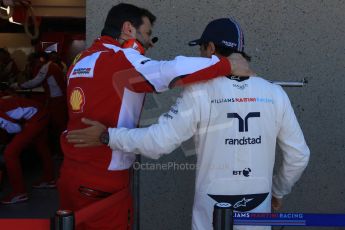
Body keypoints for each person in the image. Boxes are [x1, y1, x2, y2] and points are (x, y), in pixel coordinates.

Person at [67, 18, 310, 230]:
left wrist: (107, 136)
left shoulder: (199, 90)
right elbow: (299, 156)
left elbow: (158, 142)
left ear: (211, 48)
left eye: (202, 51)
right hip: (259, 209)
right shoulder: (275, 93)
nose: (201, 58)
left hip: (212, 211)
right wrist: (278, 192)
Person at [0, 95, 55, 204]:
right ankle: (50, 179)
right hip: (42, 112)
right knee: (42, 147)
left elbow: (15, 129)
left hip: (35, 118)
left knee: (10, 153)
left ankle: (19, 193)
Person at [11, 52, 68, 145]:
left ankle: (62, 151)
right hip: (59, 98)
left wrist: (18, 86)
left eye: (35, 61)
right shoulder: (53, 65)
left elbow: (35, 82)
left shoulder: (47, 67)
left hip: (56, 100)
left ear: (41, 59)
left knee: (58, 126)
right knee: (59, 125)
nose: (35, 64)